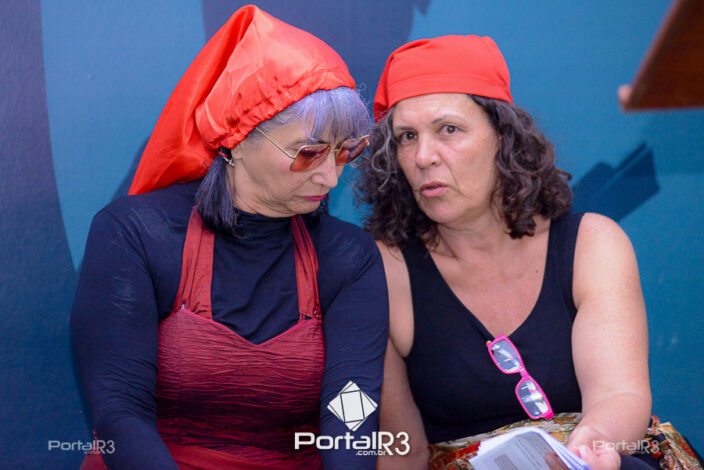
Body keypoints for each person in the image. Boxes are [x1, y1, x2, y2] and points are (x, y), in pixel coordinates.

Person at [71, 5, 387, 469]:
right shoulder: (138, 235)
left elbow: (351, 410)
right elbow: (120, 412)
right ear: (236, 139)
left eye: (346, 152)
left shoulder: (348, 256)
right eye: (309, 153)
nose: (330, 177)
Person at [357, 35, 656, 469]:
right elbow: (402, 451)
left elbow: (619, 393)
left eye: (449, 129)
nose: (423, 156)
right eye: (407, 136)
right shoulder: (384, 272)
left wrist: (594, 446)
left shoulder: (592, 244)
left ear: (504, 136)